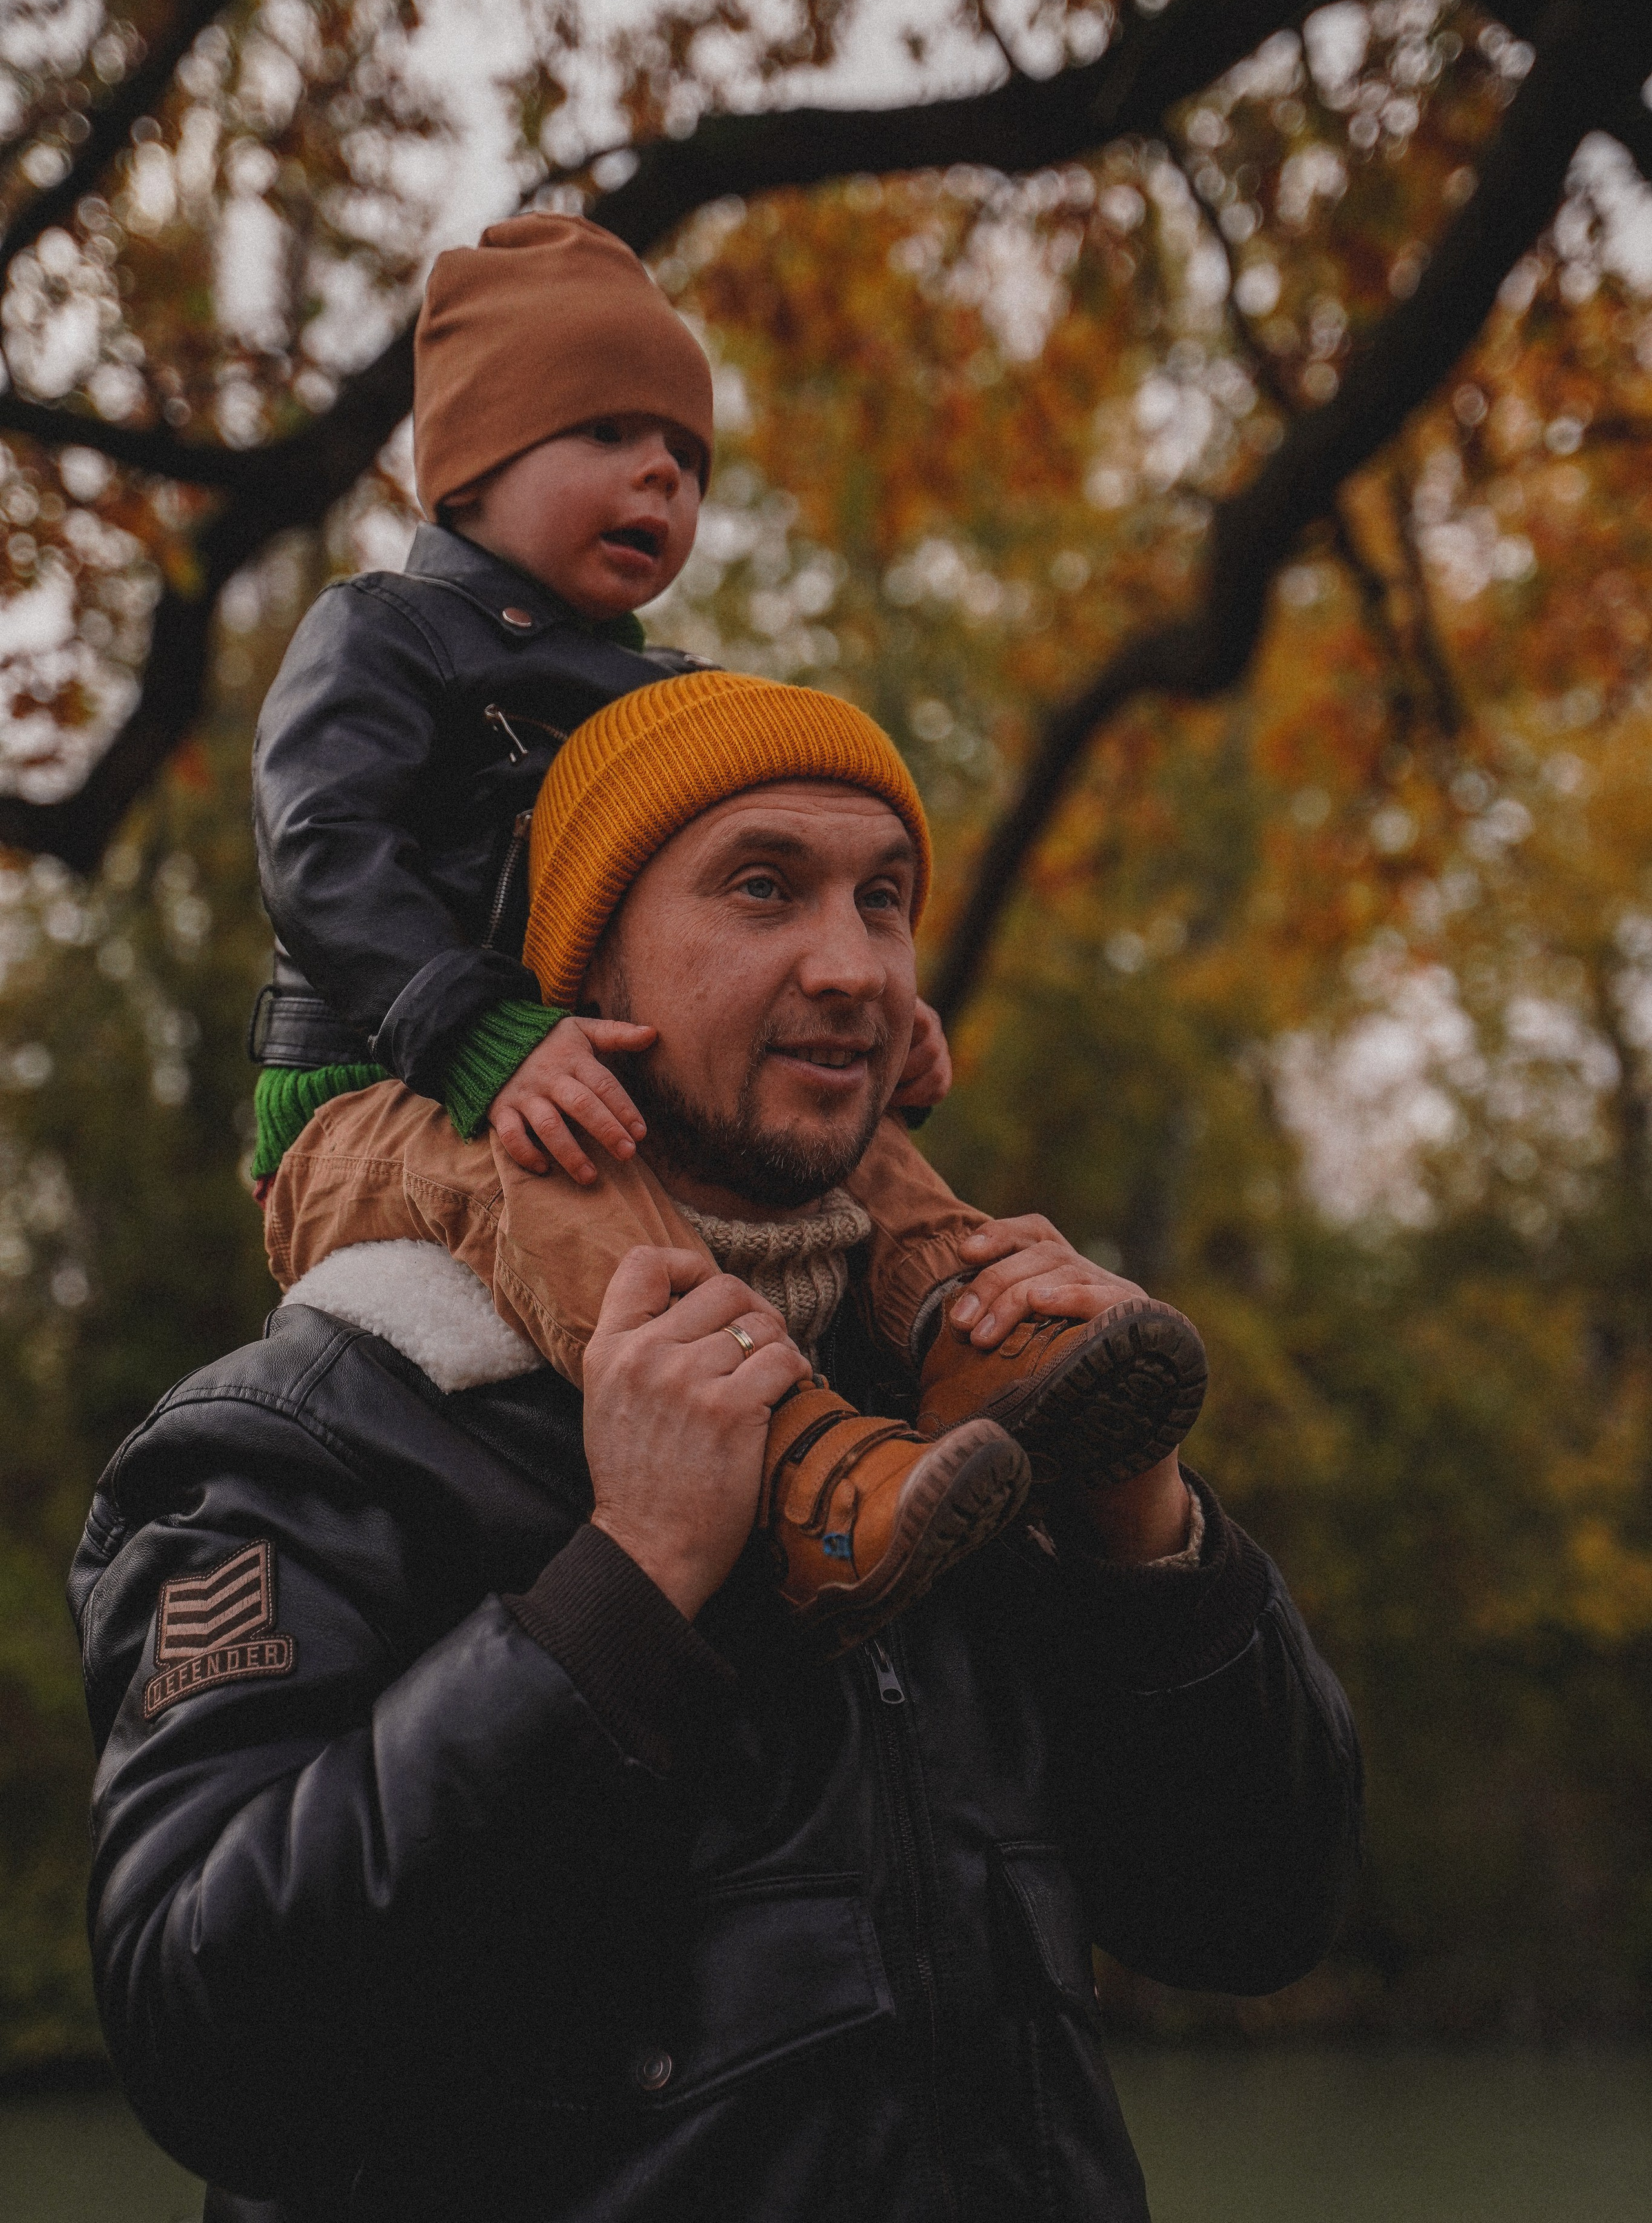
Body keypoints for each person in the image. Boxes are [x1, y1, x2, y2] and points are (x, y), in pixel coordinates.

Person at [74, 685, 1364, 2223]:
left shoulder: (956, 1403)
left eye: (882, 900)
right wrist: (624, 1590)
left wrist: (1132, 1524)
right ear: (580, 969)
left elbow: (1253, 1920)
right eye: (762, 887)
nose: (851, 966)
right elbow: (213, 2052)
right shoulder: (309, 1432)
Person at [250, 215, 1205, 1644]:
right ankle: (801, 1469)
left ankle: (972, 1329)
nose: (660, 477)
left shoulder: (665, 695)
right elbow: (320, 850)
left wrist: (875, 1002)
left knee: (844, 1131)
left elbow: (765, 897)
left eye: (687, 460)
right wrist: (472, 1027)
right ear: (470, 466)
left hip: (567, 1058)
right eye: (608, 433)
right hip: (376, 1094)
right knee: (554, 1164)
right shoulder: (388, 634)